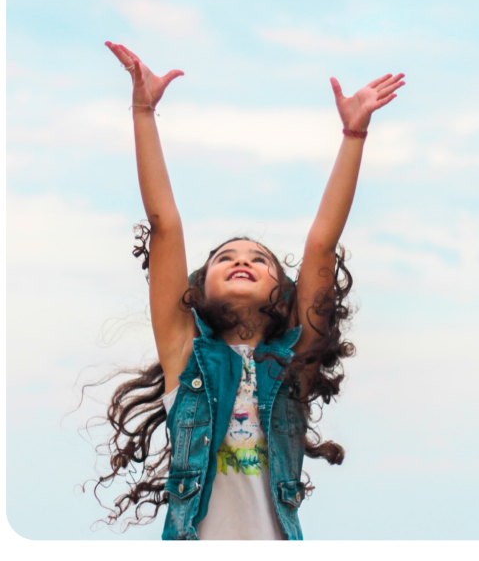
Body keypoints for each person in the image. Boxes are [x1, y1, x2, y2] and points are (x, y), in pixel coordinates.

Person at [92, 41, 404, 541]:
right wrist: (143, 111)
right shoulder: (183, 357)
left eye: (260, 259)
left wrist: (353, 133)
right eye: (226, 258)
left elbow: (323, 241)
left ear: (283, 293)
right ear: (198, 290)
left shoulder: (292, 364)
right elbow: (164, 225)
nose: (242, 260)